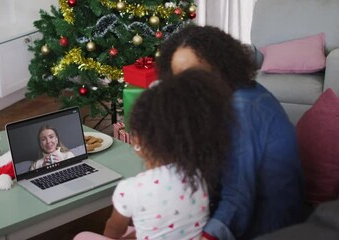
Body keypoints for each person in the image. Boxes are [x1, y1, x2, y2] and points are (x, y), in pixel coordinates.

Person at [157, 25, 304, 240]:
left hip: (268, 224)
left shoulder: (242, 108)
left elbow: (238, 197)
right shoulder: (236, 91)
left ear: (221, 67)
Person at [74, 69, 235, 240]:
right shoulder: (199, 176)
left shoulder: (131, 189)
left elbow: (113, 232)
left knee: (81, 236)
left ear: (137, 141)